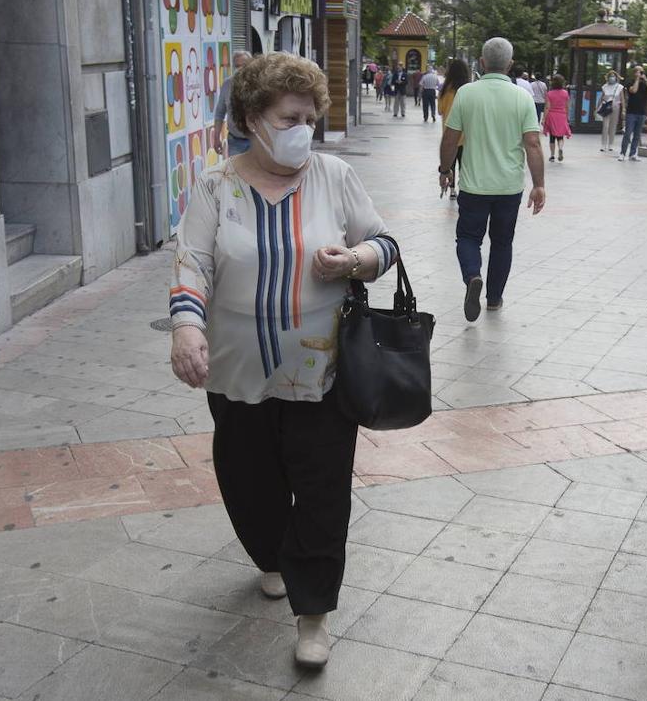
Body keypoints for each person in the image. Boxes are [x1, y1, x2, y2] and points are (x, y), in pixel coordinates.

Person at [169, 52, 399, 667]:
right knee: (248, 485)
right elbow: (194, 265)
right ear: (252, 116)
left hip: (324, 377)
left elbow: (385, 243)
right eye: (289, 116)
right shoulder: (216, 186)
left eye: (310, 117)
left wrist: (354, 261)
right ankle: (271, 554)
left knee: (323, 493)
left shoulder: (333, 176)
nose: (304, 128)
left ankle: (314, 614)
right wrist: (186, 331)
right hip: (237, 373)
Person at [438, 37, 545, 321]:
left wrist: (445, 170)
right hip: (509, 187)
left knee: (468, 237)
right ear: (510, 65)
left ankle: (473, 275)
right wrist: (539, 184)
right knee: (502, 242)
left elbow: (450, 138)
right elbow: (532, 143)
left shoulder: (466, 94)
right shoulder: (522, 96)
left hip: (474, 185)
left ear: (482, 63)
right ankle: (494, 299)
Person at [437, 59, 471, 200]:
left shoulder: (444, 91)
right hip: (466, 136)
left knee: (450, 163)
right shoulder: (469, 91)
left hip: (449, 133)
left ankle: (451, 190)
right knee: (465, 165)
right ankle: (464, 188)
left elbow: (439, 111)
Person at [212, 50, 253, 157]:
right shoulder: (227, 84)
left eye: (243, 65)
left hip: (256, 140)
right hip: (235, 141)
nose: (240, 69)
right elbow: (220, 112)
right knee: (235, 173)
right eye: (237, 66)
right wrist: (216, 137)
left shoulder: (259, 84)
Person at [619, 65, 647, 162]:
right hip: (631, 112)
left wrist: (645, 79)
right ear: (635, 73)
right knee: (628, 134)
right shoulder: (630, 82)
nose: (640, 73)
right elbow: (633, 90)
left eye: (642, 72)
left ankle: (633, 154)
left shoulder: (645, 83)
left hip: (642, 113)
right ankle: (622, 153)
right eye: (638, 72)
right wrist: (637, 79)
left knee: (637, 135)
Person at [541, 74, 572, 163]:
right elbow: (567, 106)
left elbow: (547, 107)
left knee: (552, 137)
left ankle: (552, 155)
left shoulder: (550, 93)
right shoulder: (565, 93)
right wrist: (567, 117)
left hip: (552, 116)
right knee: (560, 136)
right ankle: (561, 148)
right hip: (562, 116)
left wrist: (543, 119)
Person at [599, 70, 622, 153]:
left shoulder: (620, 87)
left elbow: (622, 99)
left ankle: (611, 144)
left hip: (616, 107)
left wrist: (624, 110)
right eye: (610, 76)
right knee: (605, 126)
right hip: (606, 107)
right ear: (607, 77)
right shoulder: (604, 86)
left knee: (613, 126)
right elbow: (601, 97)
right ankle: (603, 144)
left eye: (613, 76)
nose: (612, 78)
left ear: (616, 77)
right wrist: (597, 107)